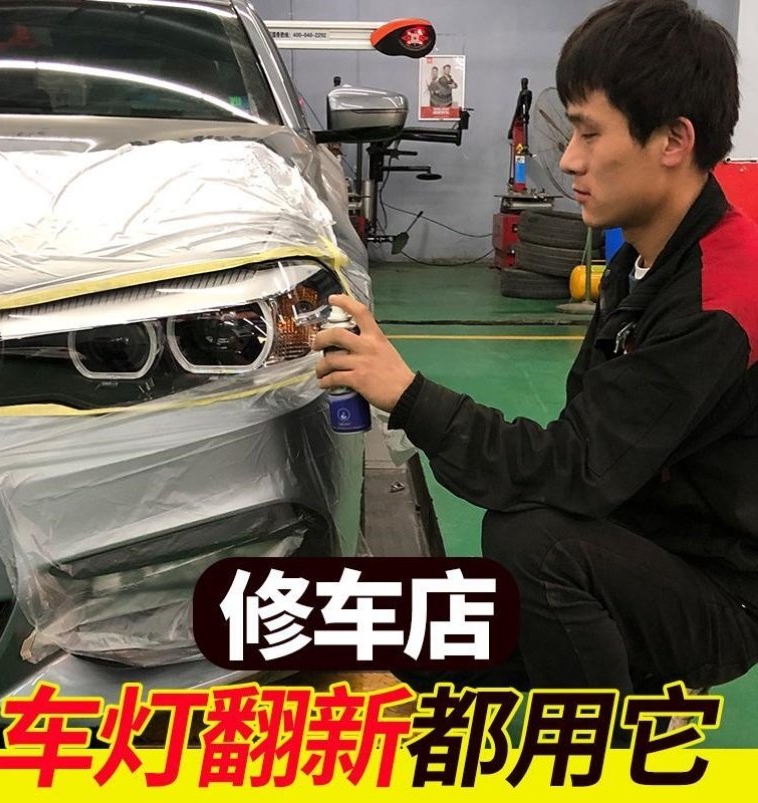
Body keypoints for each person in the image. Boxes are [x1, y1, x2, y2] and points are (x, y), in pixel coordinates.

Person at [314, 0, 758, 711]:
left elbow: (573, 472)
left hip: (717, 593)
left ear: (673, 140)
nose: (570, 158)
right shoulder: (643, 260)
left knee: (532, 540)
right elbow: (586, 443)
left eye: (589, 132)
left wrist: (408, 395)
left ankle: (596, 750)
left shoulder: (719, 299)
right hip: (635, 543)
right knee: (411, 627)